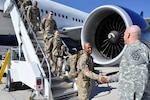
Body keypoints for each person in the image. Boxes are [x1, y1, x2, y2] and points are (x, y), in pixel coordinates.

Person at [101, 25, 150, 100]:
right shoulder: (136, 48)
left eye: (124, 34)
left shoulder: (135, 49)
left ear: (128, 35)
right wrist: (109, 79)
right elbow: (126, 73)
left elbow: (140, 76)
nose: (123, 37)